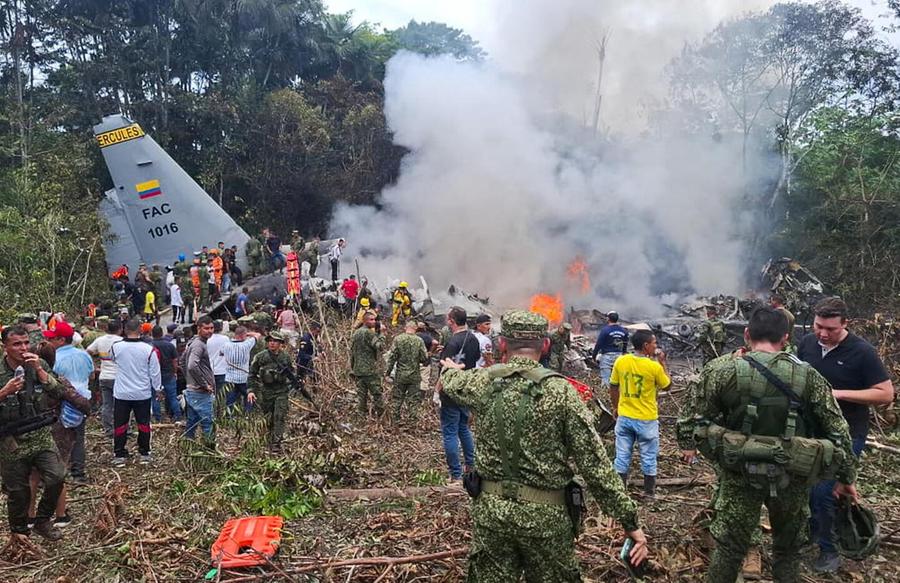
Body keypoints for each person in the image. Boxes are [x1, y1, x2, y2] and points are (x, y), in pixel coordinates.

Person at [439, 309, 649, 581]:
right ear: (546, 344)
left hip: (491, 515)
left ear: (502, 345)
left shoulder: (482, 383)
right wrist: (629, 521)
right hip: (546, 519)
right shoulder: (563, 393)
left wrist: (452, 371)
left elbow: (451, 380)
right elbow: (595, 466)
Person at [676, 306, 861, 583]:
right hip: (792, 476)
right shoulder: (808, 376)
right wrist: (846, 478)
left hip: (739, 474)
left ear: (747, 334)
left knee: (729, 550)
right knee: (787, 551)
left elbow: (689, 422)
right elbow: (839, 431)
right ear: (785, 338)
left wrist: (708, 446)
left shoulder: (721, 371)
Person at [796, 297, 894, 573]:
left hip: (846, 434)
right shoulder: (807, 343)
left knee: (826, 492)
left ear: (845, 324)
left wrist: (837, 394)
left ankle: (830, 550)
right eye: (819, 327)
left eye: (831, 329)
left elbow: (885, 392)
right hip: (809, 432)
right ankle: (813, 533)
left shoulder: (862, 352)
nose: (823, 334)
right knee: (806, 488)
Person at [0, 326, 72, 541]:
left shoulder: (38, 364)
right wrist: (4, 392)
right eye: (16, 344)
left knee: (57, 476)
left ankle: (42, 520)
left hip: (39, 433)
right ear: (5, 347)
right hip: (10, 438)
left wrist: (40, 372)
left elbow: (60, 392)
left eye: (25, 343)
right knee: (18, 492)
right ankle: (20, 533)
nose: (23, 348)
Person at [609, 330, 671, 497]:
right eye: (654, 343)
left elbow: (613, 386)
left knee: (621, 456)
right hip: (646, 420)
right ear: (646, 346)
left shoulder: (621, 361)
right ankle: (649, 494)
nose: (656, 346)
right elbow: (667, 386)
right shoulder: (654, 367)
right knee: (649, 457)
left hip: (625, 418)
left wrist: (616, 407)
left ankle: (620, 493)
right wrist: (663, 362)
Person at [43, 322, 93, 521]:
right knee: (78, 437)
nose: (49, 341)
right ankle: (78, 472)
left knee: (58, 441)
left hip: (63, 403)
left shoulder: (55, 359)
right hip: (81, 401)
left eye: (51, 338)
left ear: (60, 339)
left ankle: (58, 474)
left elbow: (53, 383)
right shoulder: (84, 355)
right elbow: (91, 374)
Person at [436, 306, 480, 482]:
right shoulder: (473, 339)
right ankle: (471, 465)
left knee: (450, 432)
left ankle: (455, 475)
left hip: (450, 392)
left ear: (451, 321)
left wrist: (436, 391)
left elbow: (444, 369)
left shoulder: (452, 342)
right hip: (466, 390)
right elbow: (475, 359)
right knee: (464, 428)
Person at [110, 319, 162, 465]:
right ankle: (144, 453)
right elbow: (155, 372)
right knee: (143, 424)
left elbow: (113, 360)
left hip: (122, 393)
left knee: (120, 424)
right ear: (141, 330)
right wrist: (158, 389)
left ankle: (119, 454)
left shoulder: (116, 347)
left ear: (124, 330)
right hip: (142, 393)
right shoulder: (148, 349)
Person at [248, 332, 295, 452]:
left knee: (279, 416)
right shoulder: (260, 357)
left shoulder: (285, 357)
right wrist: (251, 390)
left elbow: (292, 373)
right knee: (268, 417)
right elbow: (252, 374)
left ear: (280, 344)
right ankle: (268, 438)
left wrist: (296, 383)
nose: (272, 343)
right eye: (270, 341)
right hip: (266, 392)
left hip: (281, 391)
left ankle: (276, 442)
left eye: (275, 341)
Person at [386, 321, 429, 422]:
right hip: (414, 375)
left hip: (401, 374)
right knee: (413, 399)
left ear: (406, 327)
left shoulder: (398, 339)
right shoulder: (419, 341)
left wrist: (387, 373)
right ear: (415, 329)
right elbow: (424, 357)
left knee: (397, 398)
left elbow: (392, 358)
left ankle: (395, 419)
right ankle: (412, 420)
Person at [86, 319, 123, 438]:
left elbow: (88, 351)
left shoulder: (99, 340)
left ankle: (108, 429)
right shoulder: (121, 341)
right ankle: (120, 428)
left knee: (107, 404)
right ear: (120, 329)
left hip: (104, 376)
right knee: (121, 404)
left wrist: (93, 366)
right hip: (118, 377)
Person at [183, 316, 216, 441]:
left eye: (211, 328)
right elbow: (191, 365)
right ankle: (210, 450)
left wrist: (190, 381)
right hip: (200, 392)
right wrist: (203, 384)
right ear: (199, 328)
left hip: (192, 390)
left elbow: (182, 361)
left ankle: (189, 446)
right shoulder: (198, 345)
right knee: (208, 423)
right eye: (206, 328)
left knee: (192, 421)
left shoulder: (194, 342)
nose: (209, 331)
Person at [350, 311, 385, 417]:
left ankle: (361, 416)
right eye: (371, 319)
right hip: (369, 370)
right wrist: (381, 333)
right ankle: (381, 415)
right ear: (365, 321)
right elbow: (380, 346)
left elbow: (352, 352)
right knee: (377, 393)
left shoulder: (356, 333)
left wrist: (352, 367)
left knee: (362, 395)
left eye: (374, 319)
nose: (374, 322)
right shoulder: (369, 333)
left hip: (358, 370)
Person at [223, 326, 259, 413]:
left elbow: (221, 353)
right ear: (244, 335)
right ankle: (247, 414)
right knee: (249, 396)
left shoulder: (226, 345)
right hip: (243, 377)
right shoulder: (246, 345)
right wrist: (248, 333)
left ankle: (229, 417)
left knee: (230, 400)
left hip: (230, 378)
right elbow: (257, 335)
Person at [150, 326, 182, 423]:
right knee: (172, 397)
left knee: (155, 397)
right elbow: (175, 360)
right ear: (162, 333)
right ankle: (177, 416)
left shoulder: (149, 346)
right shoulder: (169, 345)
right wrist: (175, 371)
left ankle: (158, 418)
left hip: (154, 375)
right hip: (169, 374)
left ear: (152, 334)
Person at [592, 311, 629, 385]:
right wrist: (624, 353)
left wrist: (594, 356)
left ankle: (605, 394)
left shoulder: (605, 330)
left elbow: (599, 344)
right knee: (619, 380)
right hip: (619, 357)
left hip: (607, 357)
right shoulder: (623, 331)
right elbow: (625, 343)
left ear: (608, 319)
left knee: (606, 379)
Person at [207, 320, 230, 411]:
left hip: (209, 371)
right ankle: (221, 412)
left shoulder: (207, 339)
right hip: (222, 371)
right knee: (222, 395)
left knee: (210, 394)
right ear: (221, 328)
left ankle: (212, 412)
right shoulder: (225, 339)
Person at [296, 322, 321, 393]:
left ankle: (313, 393)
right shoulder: (305, 339)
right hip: (303, 364)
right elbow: (301, 354)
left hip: (310, 364)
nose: (318, 334)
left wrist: (321, 352)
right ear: (312, 330)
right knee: (301, 381)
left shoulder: (314, 338)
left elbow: (316, 347)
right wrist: (312, 358)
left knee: (315, 378)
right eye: (317, 331)